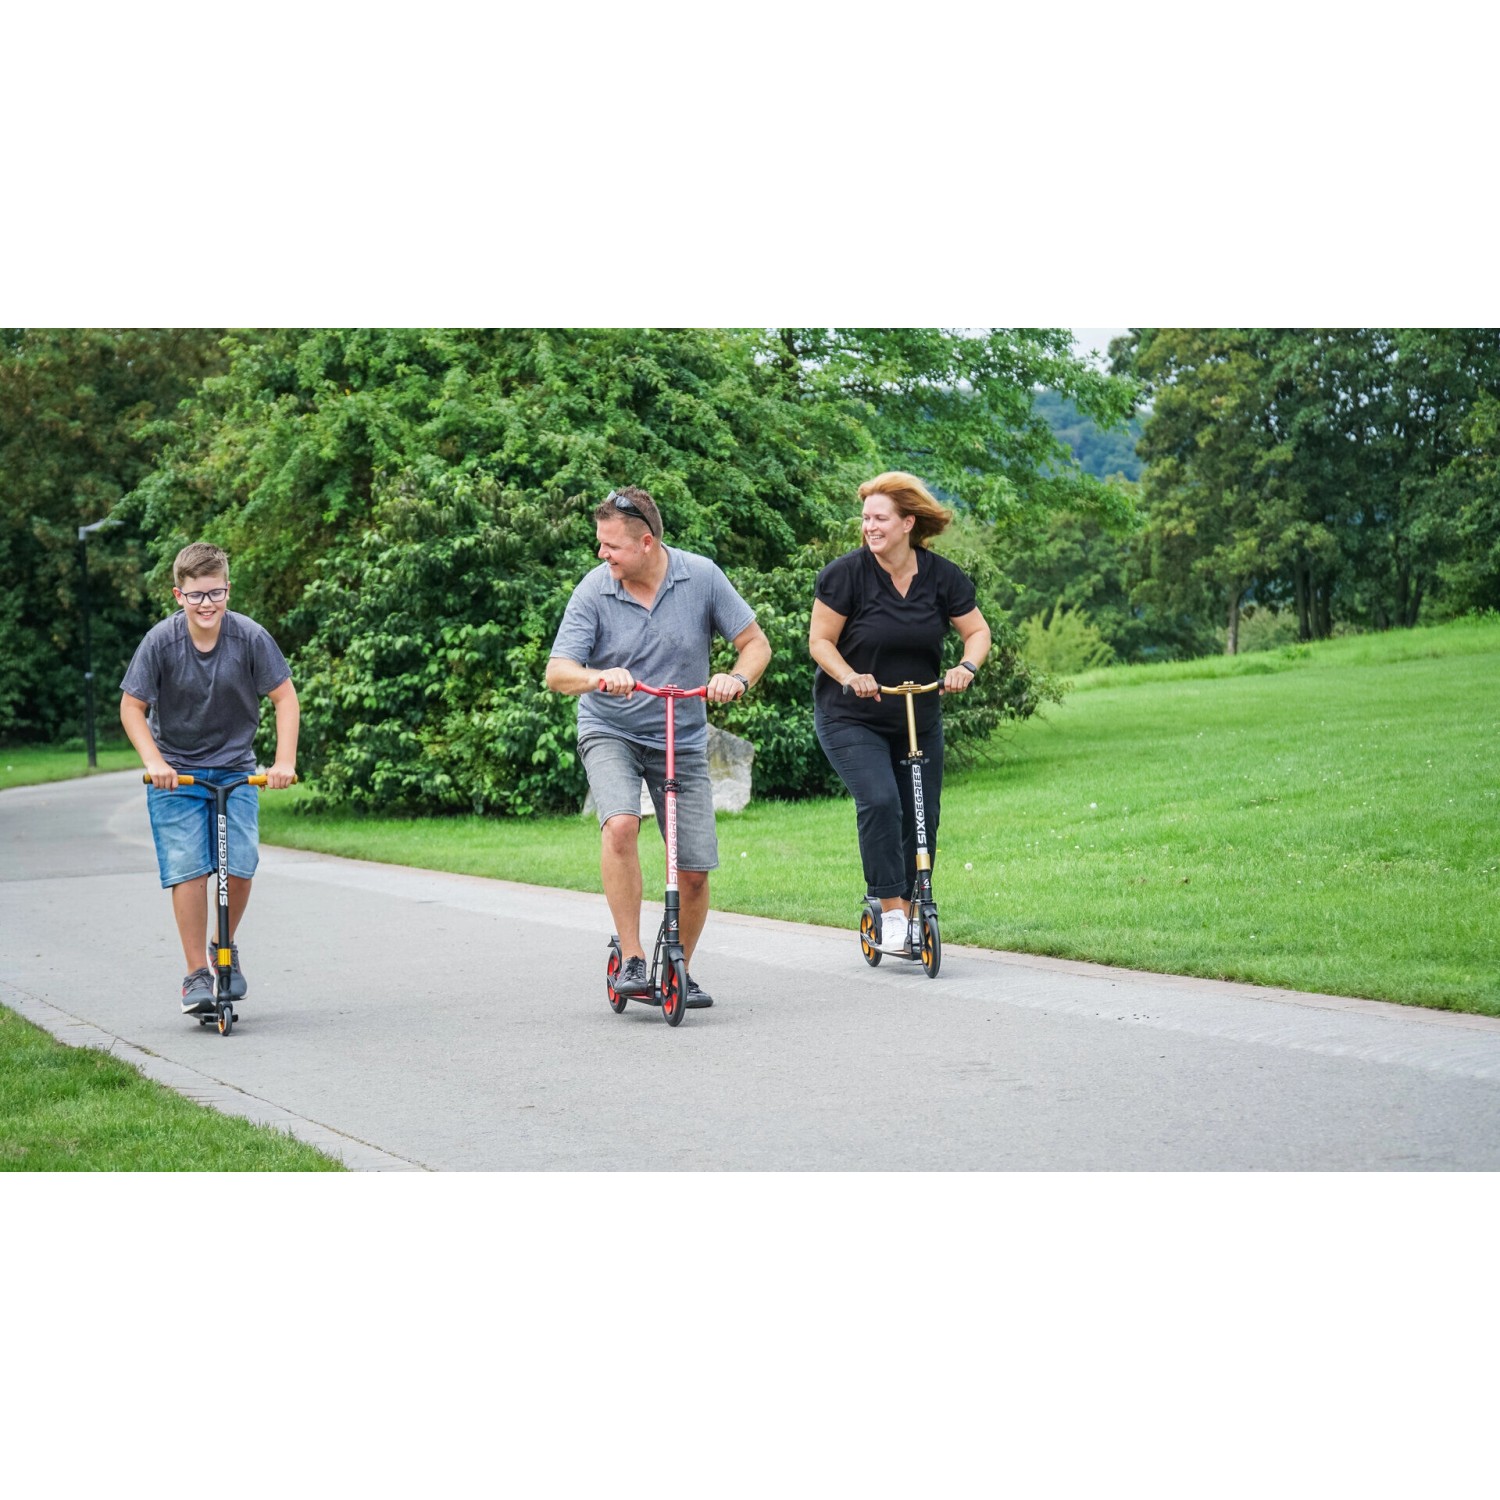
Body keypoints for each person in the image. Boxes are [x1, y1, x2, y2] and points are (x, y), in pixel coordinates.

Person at [546, 487, 771, 1008]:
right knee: (622, 823)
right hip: (611, 730)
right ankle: (630, 956)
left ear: (646, 542)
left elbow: (755, 644)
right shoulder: (595, 590)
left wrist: (735, 678)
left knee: (693, 871)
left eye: (612, 546)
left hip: (681, 736)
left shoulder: (702, 577)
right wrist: (600, 678)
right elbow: (558, 673)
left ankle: (678, 969)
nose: (602, 554)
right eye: (600, 545)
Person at [808, 472, 992, 956]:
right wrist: (851, 676)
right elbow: (820, 642)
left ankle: (914, 904)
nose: (869, 526)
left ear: (908, 522)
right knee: (882, 802)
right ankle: (890, 908)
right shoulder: (845, 575)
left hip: (917, 714)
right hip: (852, 715)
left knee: (923, 814)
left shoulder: (942, 576)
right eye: (866, 517)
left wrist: (965, 667)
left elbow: (977, 632)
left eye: (880, 518)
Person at [120, 542, 299, 1013]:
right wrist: (155, 762)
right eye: (196, 595)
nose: (206, 604)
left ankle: (226, 949)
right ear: (178, 595)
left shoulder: (250, 638)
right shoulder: (161, 642)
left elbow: (285, 698)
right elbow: (132, 707)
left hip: (237, 769)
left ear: (227, 590)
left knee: (239, 867)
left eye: (215, 594)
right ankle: (196, 972)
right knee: (189, 869)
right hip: (176, 776)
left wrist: (283, 762)